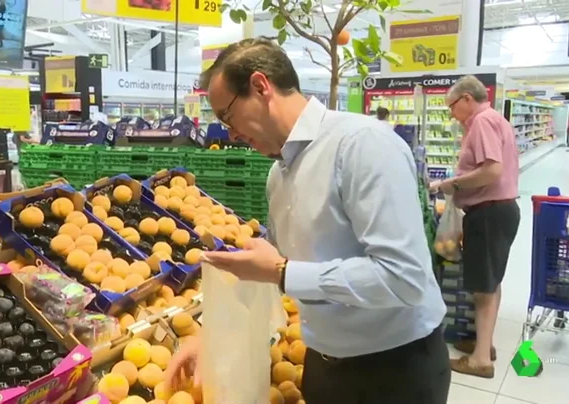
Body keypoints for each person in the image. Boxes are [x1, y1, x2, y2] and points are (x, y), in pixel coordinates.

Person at [164, 37, 450, 403]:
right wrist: (210, 335)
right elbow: (265, 272)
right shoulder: (278, 174)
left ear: (260, 86)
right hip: (324, 366)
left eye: (227, 116)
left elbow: (403, 277)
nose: (230, 134)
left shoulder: (362, 145)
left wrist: (284, 272)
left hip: (394, 372)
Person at [429, 75, 520, 379]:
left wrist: (449, 184)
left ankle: (481, 359)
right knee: (491, 282)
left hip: (489, 213)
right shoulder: (496, 120)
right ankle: (485, 344)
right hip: (500, 212)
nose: (451, 115)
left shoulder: (481, 121)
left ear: (467, 98)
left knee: (483, 287)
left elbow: (492, 170)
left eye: (451, 107)